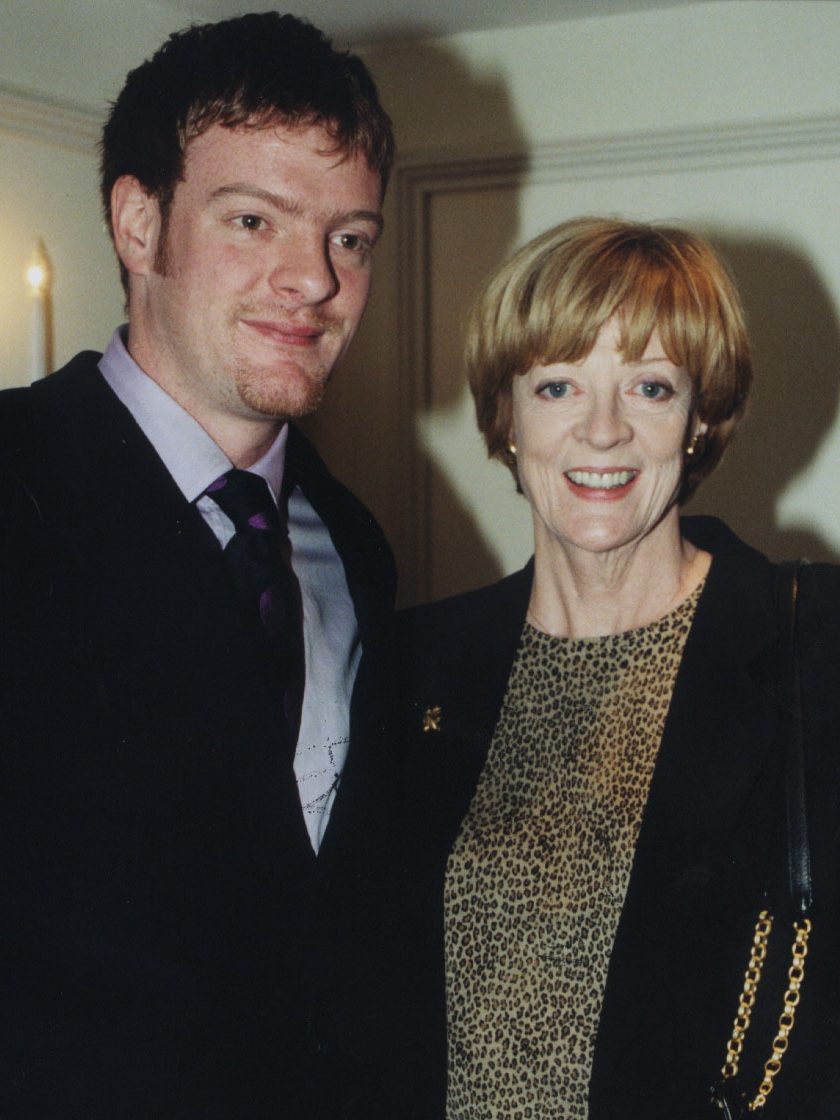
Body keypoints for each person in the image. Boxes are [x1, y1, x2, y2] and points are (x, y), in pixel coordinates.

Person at [0, 14, 419, 1119]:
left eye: (350, 238)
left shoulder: (356, 545)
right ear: (139, 224)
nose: (314, 280)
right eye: (254, 221)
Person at [396, 217, 840, 1119]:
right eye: (558, 386)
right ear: (507, 416)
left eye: (650, 386)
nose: (603, 431)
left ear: (699, 417)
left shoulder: (815, 647)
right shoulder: (413, 665)